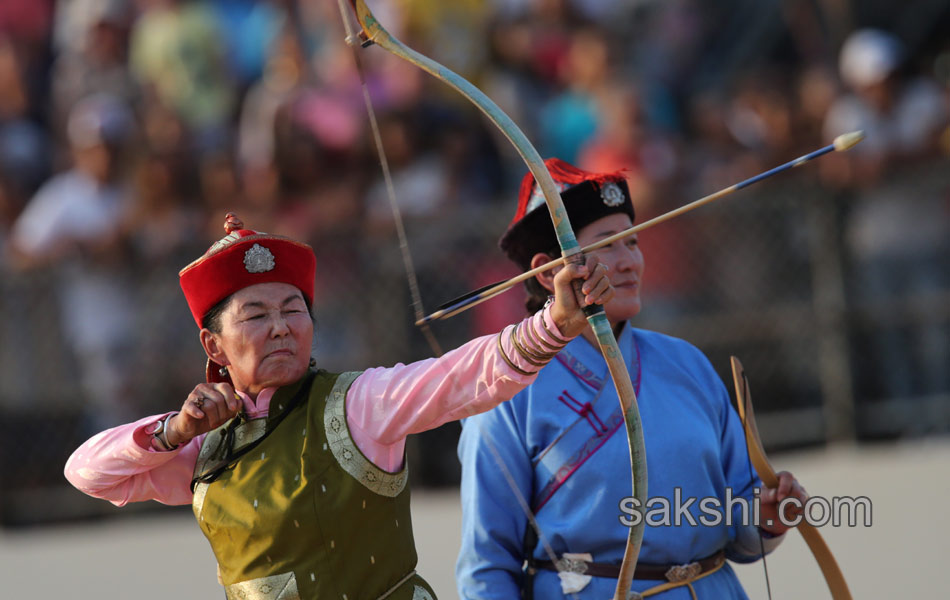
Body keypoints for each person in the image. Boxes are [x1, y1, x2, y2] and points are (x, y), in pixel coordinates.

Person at [64, 211, 613, 600]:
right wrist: (172, 432)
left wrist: (552, 326)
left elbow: (459, 377)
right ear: (214, 347)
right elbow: (88, 473)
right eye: (255, 316)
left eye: (293, 309)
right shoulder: (201, 447)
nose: (281, 327)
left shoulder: (356, 405)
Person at [456, 158, 808, 599]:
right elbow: (486, 568)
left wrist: (767, 515)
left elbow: (741, 520)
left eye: (633, 243)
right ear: (548, 272)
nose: (628, 263)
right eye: (608, 246)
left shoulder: (688, 364)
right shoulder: (505, 387)